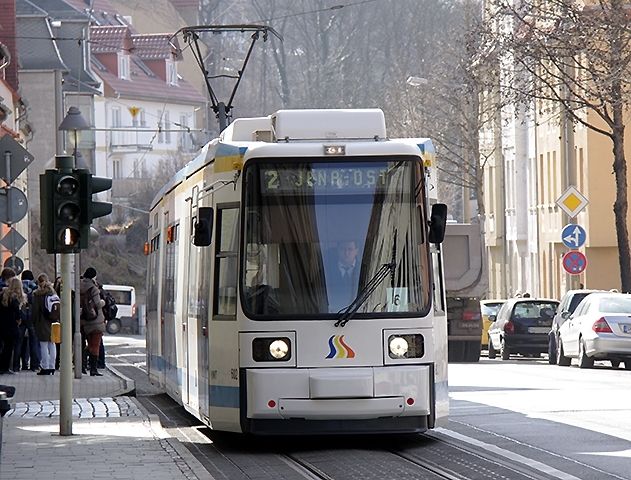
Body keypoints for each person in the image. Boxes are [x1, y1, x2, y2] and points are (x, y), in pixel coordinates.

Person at [80, 267, 106, 376]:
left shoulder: (79, 285)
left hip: (84, 320)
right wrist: (103, 302)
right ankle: (93, 369)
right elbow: (97, 304)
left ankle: (82, 362)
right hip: (96, 321)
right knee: (95, 345)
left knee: (88, 343)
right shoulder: (94, 288)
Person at [33, 273, 60, 375]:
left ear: (39, 283)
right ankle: (52, 366)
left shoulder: (37, 295)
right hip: (53, 321)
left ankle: (45, 367)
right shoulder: (53, 293)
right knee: (52, 344)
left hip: (42, 322)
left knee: (43, 345)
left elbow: (35, 311)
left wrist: (34, 321)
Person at [13, 270, 40, 372]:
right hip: (32, 317)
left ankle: (16, 366)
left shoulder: (19, 287)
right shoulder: (35, 288)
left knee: (18, 342)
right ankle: (34, 365)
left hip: (21, 316)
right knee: (34, 342)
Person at [326, 240, 361, 312]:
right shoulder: (326, 271)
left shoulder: (365, 269)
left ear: (356, 251)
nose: (346, 253)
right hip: (331, 315)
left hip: (360, 314)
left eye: (350, 249)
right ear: (337, 250)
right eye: (343, 249)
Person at [0, 277, 25, 374]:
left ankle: (2, 366)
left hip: (2, 325)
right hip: (11, 326)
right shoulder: (14, 298)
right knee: (9, 347)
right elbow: (17, 313)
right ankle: (5, 367)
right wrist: (18, 320)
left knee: (3, 347)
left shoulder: (3, 296)